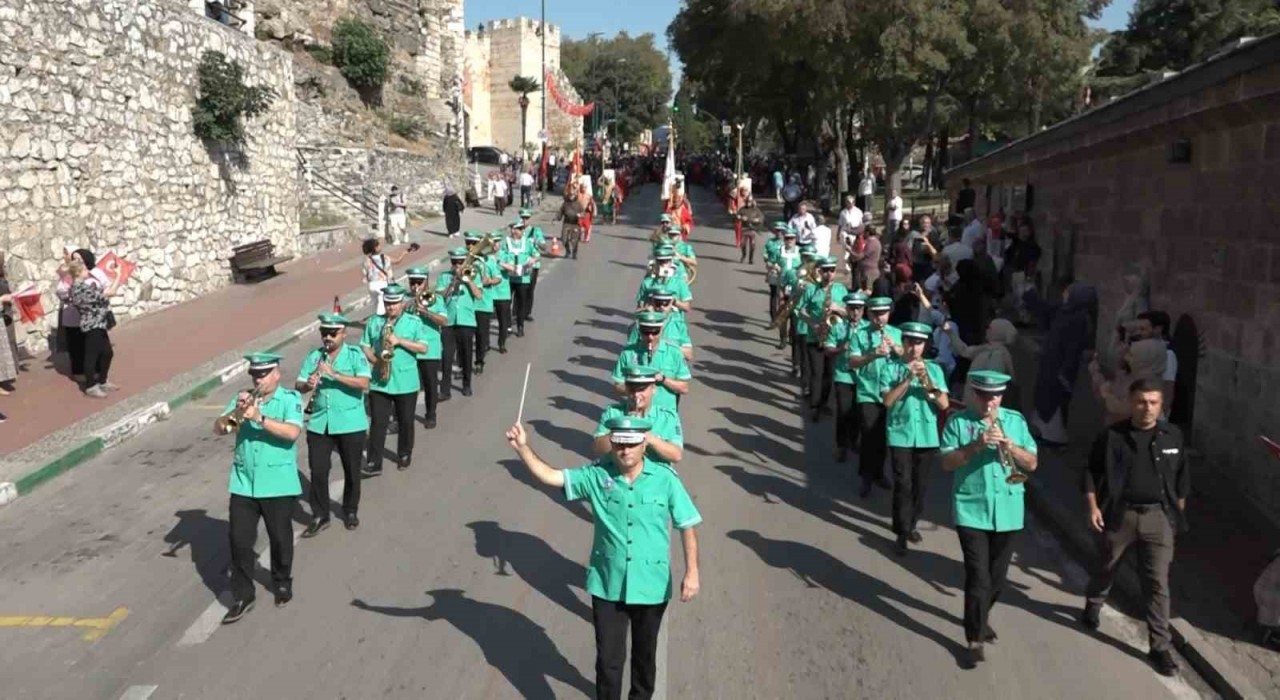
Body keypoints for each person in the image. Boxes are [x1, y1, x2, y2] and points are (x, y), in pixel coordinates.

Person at [505, 416, 701, 700]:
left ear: (644, 444)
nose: (625, 450)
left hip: (652, 584)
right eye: (619, 444)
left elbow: (687, 524)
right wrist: (523, 448)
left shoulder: (665, 479)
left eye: (631, 444)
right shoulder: (597, 475)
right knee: (609, 662)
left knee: (644, 660)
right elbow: (552, 476)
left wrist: (692, 572)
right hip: (608, 583)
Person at [1081, 378, 1189, 677]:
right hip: (1120, 515)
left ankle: (1160, 647)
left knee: (1157, 583)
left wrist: (1175, 516)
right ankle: (1094, 603)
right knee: (1107, 566)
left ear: (1161, 404)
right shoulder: (1112, 436)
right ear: (1131, 402)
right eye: (1141, 401)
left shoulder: (1173, 436)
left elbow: (1182, 479)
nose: (1147, 408)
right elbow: (1090, 472)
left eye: (1153, 402)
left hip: (1159, 518)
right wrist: (1093, 507)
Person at [940, 370, 1038, 666]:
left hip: (1008, 510)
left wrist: (1011, 448)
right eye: (984, 396)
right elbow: (947, 463)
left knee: (997, 579)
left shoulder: (1016, 422)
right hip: (972, 509)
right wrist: (977, 445)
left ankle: (980, 617)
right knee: (978, 577)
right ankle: (974, 639)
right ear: (974, 394)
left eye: (995, 396)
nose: (990, 402)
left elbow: (1032, 463)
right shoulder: (958, 422)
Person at [215, 352, 305, 623]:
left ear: (276, 374)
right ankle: (243, 595)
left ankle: (282, 581)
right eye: (255, 375)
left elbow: (292, 433)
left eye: (263, 375)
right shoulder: (243, 398)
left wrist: (259, 418)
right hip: (244, 482)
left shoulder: (290, 399)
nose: (258, 380)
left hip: (277, 483)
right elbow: (220, 428)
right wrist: (235, 413)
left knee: (280, 539)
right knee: (239, 541)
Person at [296, 314, 371, 535]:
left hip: (350, 422)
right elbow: (299, 383)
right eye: (324, 333)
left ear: (343, 334)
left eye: (332, 333)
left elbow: (364, 382)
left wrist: (334, 375)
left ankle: (350, 510)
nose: (327, 337)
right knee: (318, 471)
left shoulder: (355, 355)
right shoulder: (314, 357)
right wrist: (307, 384)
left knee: (352, 470)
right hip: (320, 422)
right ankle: (320, 515)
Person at [881, 321, 949, 554]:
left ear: (924, 345)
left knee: (920, 486)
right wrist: (908, 379)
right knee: (903, 484)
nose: (914, 347)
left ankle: (911, 524)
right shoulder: (890, 368)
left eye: (919, 343)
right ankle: (901, 531)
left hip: (927, 436)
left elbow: (944, 404)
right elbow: (887, 401)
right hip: (900, 434)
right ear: (903, 342)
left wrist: (927, 382)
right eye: (910, 342)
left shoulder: (934, 370)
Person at [360, 284, 428, 476]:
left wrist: (400, 341)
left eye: (394, 303)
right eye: (388, 303)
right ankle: (374, 462)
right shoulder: (375, 322)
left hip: (405, 381)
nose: (390, 307)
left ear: (402, 303)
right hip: (380, 382)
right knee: (378, 423)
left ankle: (404, 454)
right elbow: (365, 345)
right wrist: (376, 361)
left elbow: (423, 348)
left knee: (405, 421)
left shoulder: (413, 322)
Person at [850, 296, 902, 497]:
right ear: (869, 314)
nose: (879, 318)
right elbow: (853, 362)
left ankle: (878, 472)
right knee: (869, 435)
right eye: (876, 314)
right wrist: (873, 354)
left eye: (883, 313)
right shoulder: (860, 335)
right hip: (868, 392)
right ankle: (866, 477)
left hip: (891, 393)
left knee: (884, 437)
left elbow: (908, 358)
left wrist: (896, 349)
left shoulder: (896, 333)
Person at [593, 366, 684, 468]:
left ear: (653, 389)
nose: (636, 395)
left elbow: (676, 456)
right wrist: (621, 429)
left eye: (641, 390)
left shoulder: (667, 417)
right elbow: (598, 448)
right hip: (618, 473)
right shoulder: (613, 413)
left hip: (655, 474)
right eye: (632, 390)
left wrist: (650, 438)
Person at [611, 311, 692, 414]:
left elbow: (684, 388)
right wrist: (636, 387)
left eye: (655, 332)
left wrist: (664, 379)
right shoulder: (628, 353)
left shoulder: (674, 352)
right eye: (646, 332)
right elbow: (617, 386)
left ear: (661, 330)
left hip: (665, 415)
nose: (650, 337)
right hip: (637, 414)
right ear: (640, 331)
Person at [799, 256, 847, 420]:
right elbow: (800, 311)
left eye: (832, 270)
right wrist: (813, 324)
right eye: (826, 271)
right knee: (817, 373)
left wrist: (838, 308)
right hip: (815, 337)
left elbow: (849, 313)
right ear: (820, 272)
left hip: (833, 339)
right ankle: (814, 405)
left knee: (829, 374)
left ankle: (824, 403)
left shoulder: (841, 290)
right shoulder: (812, 289)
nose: (829, 274)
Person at [67, 258, 122, 397]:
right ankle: (90, 386)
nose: (88, 271)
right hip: (92, 324)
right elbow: (109, 293)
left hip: (99, 323)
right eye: (85, 269)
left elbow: (103, 292)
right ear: (78, 272)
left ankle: (102, 380)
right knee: (92, 355)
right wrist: (118, 275)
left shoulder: (84, 286)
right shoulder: (80, 288)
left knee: (107, 352)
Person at [436, 250, 484, 400]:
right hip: (449, 321)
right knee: (447, 356)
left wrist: (468, 280)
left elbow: (479, 295)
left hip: (466, 321)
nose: (457, 265)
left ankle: (467, 384)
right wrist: (452, 283)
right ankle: (445, 390)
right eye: (454, 262)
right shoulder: (444, 276)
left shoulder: (473, 275)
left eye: (460, 262)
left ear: (465, 263)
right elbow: (440, 297)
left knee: (466, 354)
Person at [825, 292, 867, 463]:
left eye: (859, 309)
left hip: (862, 377)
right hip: (843, 374)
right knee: (843, 411)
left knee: (857, 411)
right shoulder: (838, 326)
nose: (855, 312)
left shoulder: (868, 328)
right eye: (852, 308)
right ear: (847, 309)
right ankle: (841, 444)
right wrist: (840, 349)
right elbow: (828, 350)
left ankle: (853, 439)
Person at [946, 318, 1018, 410]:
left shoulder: (999, 354)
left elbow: (992, 382)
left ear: (998, 332)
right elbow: (964, 351)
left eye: (989, 328)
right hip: (974, 400)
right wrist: (950, 333)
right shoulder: (984, 349)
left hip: (984, 404)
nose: (987, 330)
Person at [406, 267, 447, 428]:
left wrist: (426, 312)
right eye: (412, 282)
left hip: (429, 349)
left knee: (430, 384)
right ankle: (402, 418)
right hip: (409, 349)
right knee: (406, 386)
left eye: (419, 282)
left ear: (426, 282)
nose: (415, 286)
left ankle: (431, 414)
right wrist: (406, 305)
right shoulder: (404, 299)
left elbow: (444, 321)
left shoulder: (436, 299)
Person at [463, 232, 498, 374]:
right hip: (467, 305)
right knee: (465, 337)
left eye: (474, 243)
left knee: (480, 335)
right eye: (468, 243)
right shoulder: (462, 260)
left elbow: (498, 278)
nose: (470, 246)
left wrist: (489, 281)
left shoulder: (487, 261)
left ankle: (479, 361)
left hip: (483, 304)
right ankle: (463, 362)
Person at [500, 222, 539, 337]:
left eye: (519, 229)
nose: (516, 231)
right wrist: (505, 263)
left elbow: (536, 254)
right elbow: (500, 255)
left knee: (521, 303)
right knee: (506, 303)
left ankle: (520, 326)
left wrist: (532, 260)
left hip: (523, 278)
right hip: (508, 277)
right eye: (514, 229)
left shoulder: (527, 242)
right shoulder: (506, 242)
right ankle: (507, 326)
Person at [361, 238, 413, 316]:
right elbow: (397, 261)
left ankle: (375, 318)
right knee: (382, 304)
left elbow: (365, 273)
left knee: (375, 303)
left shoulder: (366, 260)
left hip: (371, 285)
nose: (381, 246)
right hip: (381, 284)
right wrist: (404, 253)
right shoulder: (384, 257)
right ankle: (380, 319)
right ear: (375, 248)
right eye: (379, 245)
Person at [556, 185, 585, 260]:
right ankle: (568, 251)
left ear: (575, 195)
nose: (571, 196)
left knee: (574, 240)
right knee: (564, 238)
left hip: (575, 224)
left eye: (572, 195)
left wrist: (580, 215)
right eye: (570, 195)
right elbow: (561, 212)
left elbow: (583, 213)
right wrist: (557, 217)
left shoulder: (578, 204)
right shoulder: (565, 203)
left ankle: (574, 253)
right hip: (567, 223)